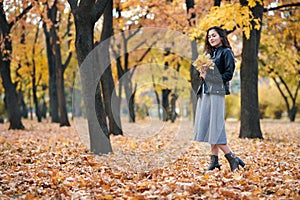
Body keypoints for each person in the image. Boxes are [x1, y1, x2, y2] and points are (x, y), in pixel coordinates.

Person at [193, 26, 245, 173]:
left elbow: (228, 75)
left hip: (216, 93)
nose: (211, 38)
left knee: (215, 126)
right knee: (210, 126)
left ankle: (231, 156)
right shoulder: (210, 54)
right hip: (206, 91)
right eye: (209, 36)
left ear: (221, 36)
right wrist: (203, 73)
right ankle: (214, 162)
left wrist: (208, 76)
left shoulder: (226, 53)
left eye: (214, 35)